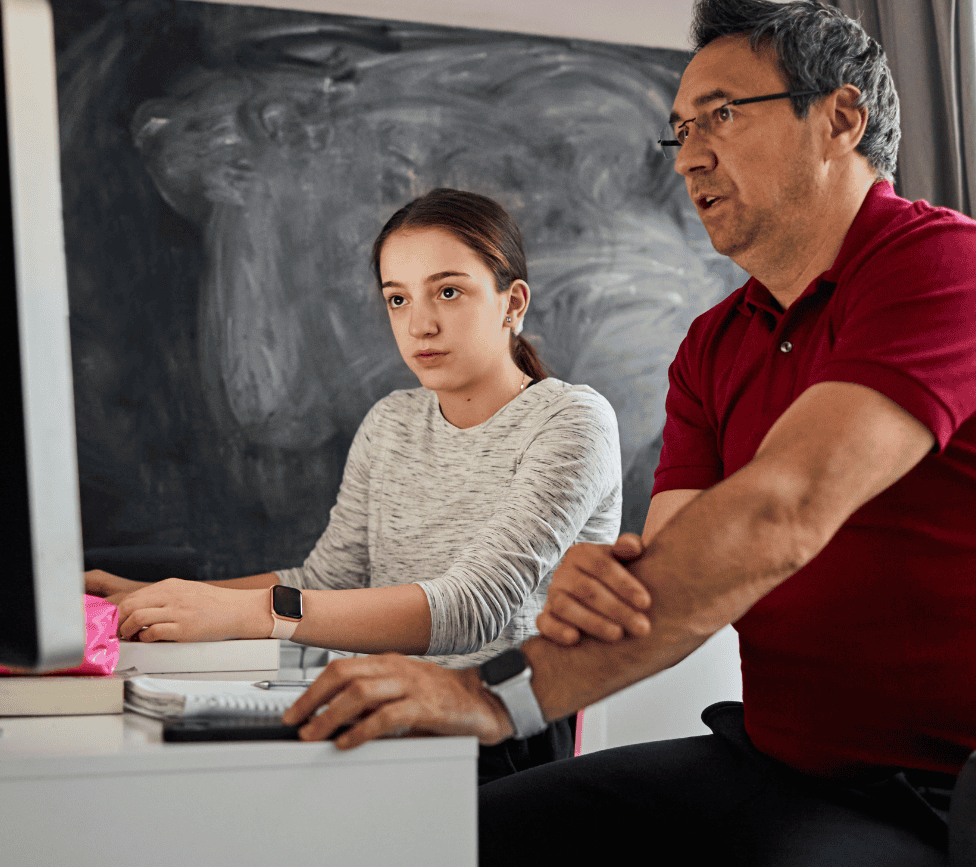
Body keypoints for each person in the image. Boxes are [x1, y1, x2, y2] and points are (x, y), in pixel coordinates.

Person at [282, 0, 976, 865]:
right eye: (680, 130)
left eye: (721, 116)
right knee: (459, 840)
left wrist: (491, 697)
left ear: (841, 119)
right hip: (777, 759)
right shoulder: (714, 343)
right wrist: (613, 580)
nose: (688, 156)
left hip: (954, 792)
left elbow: (783, 510)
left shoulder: (948, 267)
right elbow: (670, 582)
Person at [86, 187, 623, 781]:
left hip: (497, 733)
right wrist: (157, 595)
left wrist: (247, 612)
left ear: (512, 302)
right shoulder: (392, 421)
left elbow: (472, 609)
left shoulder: (572, 420)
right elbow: (325, 582)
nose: (420, 323)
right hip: (373, 710)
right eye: (398, 299)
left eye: (449, 291)